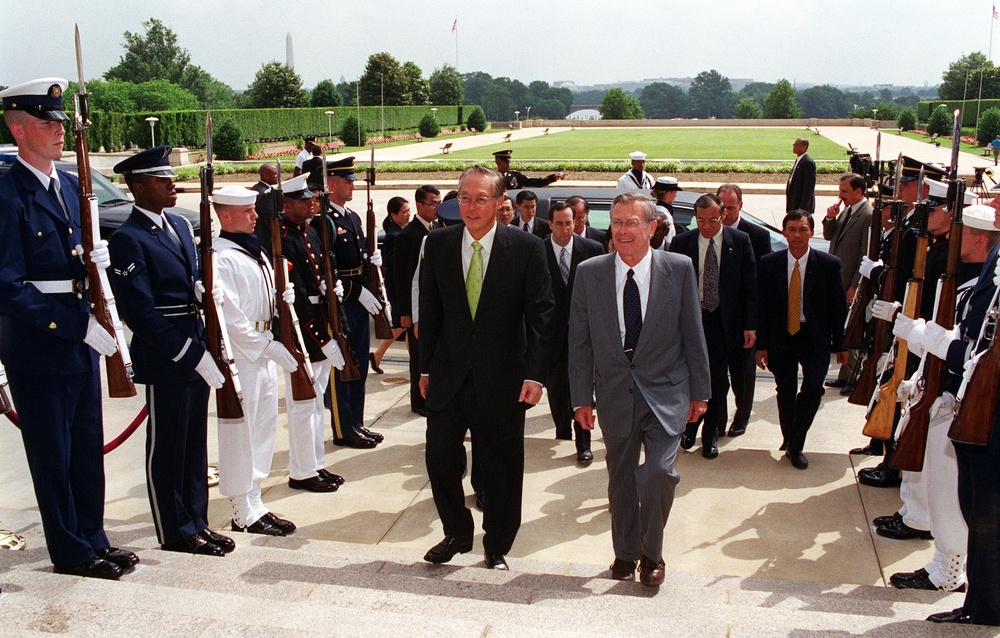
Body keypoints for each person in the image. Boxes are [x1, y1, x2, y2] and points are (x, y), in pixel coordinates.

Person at [0, 78, 138, 580]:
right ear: (18, 129)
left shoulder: (64, 186)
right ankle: (70, 551)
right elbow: (7, 285)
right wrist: (73, 325)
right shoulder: (7, 193)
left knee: (84, 446)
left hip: (81, 334)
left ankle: (93, 537)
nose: (59, 130)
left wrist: (94, 267)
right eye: (46, 122)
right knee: (52, 454)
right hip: (40, 342)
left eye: (59, 121)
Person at [569, 191, 710, 586]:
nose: (623, 230)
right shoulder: (591, 272)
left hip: (667, 392)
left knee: (659, 473)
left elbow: (693, 334)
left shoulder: (678, 268)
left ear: (652, 228)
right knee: (620, 482)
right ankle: (625, 554)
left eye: (632, 223)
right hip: (614, 392)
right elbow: (579, 341)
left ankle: (652, 554)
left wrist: (701, 392)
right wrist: (581, 397)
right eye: (617, 222)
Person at [419, 165, 554, 571]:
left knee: (501, 467)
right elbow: (431, 311)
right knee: (439, 456)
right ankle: (457, 533)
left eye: (480, 199)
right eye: (464, 197)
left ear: (500, 203)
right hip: (447, 374)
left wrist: (535, 374)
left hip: (504, 379)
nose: (471, 206)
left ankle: (496, 544)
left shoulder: (526, 248)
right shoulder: (439, 244)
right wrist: (424, 370)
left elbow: (542, 316)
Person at [109, 145, 234, 556]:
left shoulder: (178, 225)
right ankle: (175, 530)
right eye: (161, 180)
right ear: (138, 186)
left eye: (170, 177)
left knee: (194, 442)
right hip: (167, 354)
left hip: (195, 343)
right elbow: (139, 313)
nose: (171, 184)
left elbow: (193, 278)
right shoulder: (128, 239)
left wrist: (200, 289)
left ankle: (197, 520)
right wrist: (188, 352)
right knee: (167, 447)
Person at [877, 204, 1000, 594]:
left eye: (963, 234)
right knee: (942, 488)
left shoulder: (979, 285)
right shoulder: (977, 281)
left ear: (979, 238)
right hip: (947, 392)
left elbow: (972, 347)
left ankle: (948, 572)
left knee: (950, 497)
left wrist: (926, 338)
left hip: (959, 400)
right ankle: (944, 566)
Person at [922, 200, 1000, 626]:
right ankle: (981, 600)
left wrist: (945, 346)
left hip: (991, 406)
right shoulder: (996, 261)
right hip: (979, 394)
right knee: (975, 504)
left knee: (985, 508)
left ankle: (985, 606)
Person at [211, 185, 300, 535]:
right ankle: (240, 509)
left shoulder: (255, 251)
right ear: (226, 215)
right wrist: (266, 346)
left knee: (262, 429)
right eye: (247, 211)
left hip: (263, 349)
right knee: (242, 432)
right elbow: (231, 319)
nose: (255, 217)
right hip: (244, 356)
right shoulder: (221, 257)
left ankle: (255, 501)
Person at [756, 210, 848, 469]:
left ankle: (795, 443)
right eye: (792, 229)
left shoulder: (829, 264)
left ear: (812, 232)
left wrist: (840, 344)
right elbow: (761, 306)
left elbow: (838, 308)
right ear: (784, 232)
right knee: (784, 390)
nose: (797, 235)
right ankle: (791, 440)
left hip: (814, 336)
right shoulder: (769, 263)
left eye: (803, 229)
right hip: (781, 336)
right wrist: (761, 345)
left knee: (812, 388)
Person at [670, 194, 757, 458]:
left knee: (717, 381)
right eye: (700, 220)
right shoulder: (681, 242)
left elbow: (750, 286)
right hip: (692, 320)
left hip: (724, 321)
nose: (706, 226)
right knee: (691, 378)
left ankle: (709, 437)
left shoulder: (739, 242)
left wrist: (750, 326)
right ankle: (690, 427)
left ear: (723, 216)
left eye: (712, 220)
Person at [277, 173, 348, 491]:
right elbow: (298, 300)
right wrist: (323, 338)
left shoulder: (311, 232)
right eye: (304, 200)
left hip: (321, 325)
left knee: (316, 403)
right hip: (304, 334)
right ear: (286, 205)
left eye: (313, 198)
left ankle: (315, 464)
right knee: (303, 406)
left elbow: (319, 280)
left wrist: (332, 288)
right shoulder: (283, 239)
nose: (312, 203)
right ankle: (302, 471)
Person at [313, 156, 383, 448]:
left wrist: (372, 263)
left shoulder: (352, 216)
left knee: (360, 366)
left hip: (358, 299)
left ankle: (357, 421)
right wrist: (358, 291)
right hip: (341, 301)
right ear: (332, 184)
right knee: (343, 366)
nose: (353, 185)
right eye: (347, 180)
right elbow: (327, 271)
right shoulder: (323, 220)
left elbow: (358, 256)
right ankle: (343, 429)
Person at [543, 202, 604, 462]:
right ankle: (562, 432)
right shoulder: (538, 250)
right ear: (550, 224)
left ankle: (584, 444)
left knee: (582, 389)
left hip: (583, 334)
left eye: (570, 222)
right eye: (560, 223)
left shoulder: (592, 250)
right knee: (557, 390)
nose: (566, 228)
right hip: (550, 336)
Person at [717, 183, 771, 436]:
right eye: (722, 207)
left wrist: (755, 323)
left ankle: (741, 418)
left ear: (741, 206)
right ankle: (717, 420)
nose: (726, 212)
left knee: (743, 376)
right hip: (715, 319)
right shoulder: (707, 232)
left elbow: (760, 284)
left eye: (731, 207)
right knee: (716, 376)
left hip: (743, 321)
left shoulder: (757, 236)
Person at [822, 173, 873, 395]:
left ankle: (854, 376)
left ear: (858, 192)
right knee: (841, 328)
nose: (840, 195)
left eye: (844, 191)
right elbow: (829, 236)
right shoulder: (848, 210)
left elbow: (865, 254)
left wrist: (855, 285)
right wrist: (830, 218)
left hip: (849, 281)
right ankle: (844, 376)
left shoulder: (867, 214)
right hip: (836, 280)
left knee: (850, 329)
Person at [394, 185, 440, 417]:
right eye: (432, 203)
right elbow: (402, 278)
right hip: (415, 307)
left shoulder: (437, 229)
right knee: (418, 358)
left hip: (432, 305)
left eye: (438, 203)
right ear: (419, 205)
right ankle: (418, 401)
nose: (436, 208)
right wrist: (405, 312)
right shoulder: (409, 235)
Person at [370, 196, 410, 374]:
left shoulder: (401, 232)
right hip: (396, 288)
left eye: (409, 211)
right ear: (393, 215)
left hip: (401, 287)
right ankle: (378, 354)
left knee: (406, 327)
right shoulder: (394, 236)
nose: (408, 215)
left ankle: (413, 363)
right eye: (404, 212)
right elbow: (394, 265)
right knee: (402, 325)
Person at [492, 149, 563, 190]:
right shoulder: (491, 177)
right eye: (505, 162)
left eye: (509, 162)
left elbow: (535, 182)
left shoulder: (516, 176)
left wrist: (553, 177)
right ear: (498, 162)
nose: (508, 164)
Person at [786, 138, 816, 214]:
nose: (794, 147)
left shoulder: (808, 162)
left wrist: (802, 207)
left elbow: (809, 187)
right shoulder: (799, 160)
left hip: (801, 207)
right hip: (794, 203)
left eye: (796, 145)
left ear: (804, 147)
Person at [651, 177, 680, 244]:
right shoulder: (666, 217)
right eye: (675, 192)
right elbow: (669, 241)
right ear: (668, 194)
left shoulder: (651, 211)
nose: (676, 195)